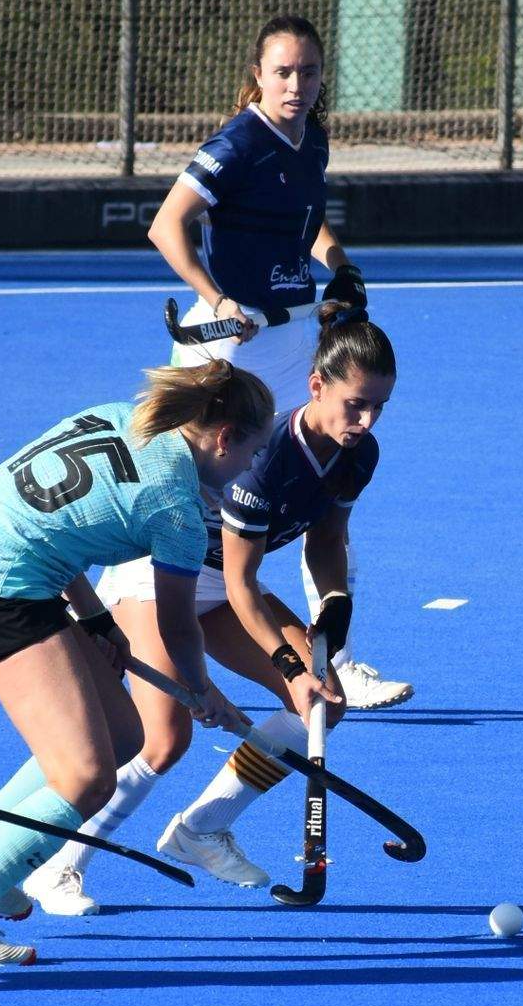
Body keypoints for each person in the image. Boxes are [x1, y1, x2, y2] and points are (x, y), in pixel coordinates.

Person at [23, 307, 396, 913]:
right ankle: (60, 863)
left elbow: (327, 538)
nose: (367, 420)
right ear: (316, 386)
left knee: (323, 705)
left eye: (379, 406)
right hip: (158, 575)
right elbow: (245, 584)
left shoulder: (360, 453)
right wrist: (289, 660)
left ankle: (201, 829)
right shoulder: (266, 459)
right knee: (162, 741)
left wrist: (335, 602)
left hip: (218, 581)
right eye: (356, 404)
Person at [0, 361, 273, 966]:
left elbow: (59, 529)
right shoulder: (176, 509)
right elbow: (177, 625)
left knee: (125, 736)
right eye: (252, 452)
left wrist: (99, 622)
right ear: (224, 437)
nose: (249, 468)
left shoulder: (120, 417)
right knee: (86, 778)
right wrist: (203, 693)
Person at [145, 11, 411, 711]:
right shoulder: (236, 145)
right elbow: (166, 225)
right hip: (231, 344)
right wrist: (216, 297)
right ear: (258, 76)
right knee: (196, 490)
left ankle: (336, 660)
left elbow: (307, 218)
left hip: (293, 337)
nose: (297, 84)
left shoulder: (310, 140)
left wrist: (339, 264)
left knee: (322, 474)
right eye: (284, 72)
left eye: (309, 72)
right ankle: (146, 620)